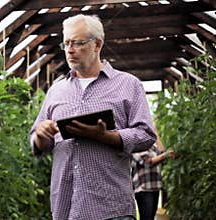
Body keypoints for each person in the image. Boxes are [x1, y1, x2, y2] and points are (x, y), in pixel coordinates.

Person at [29, 14, 156, 220]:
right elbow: (40, 142)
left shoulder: (128, 84)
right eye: (66, 43)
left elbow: (146, 135)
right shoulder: (56, 90)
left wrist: (106, 136)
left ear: (97, 44)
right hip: (65, 206)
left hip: (111, 208)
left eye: (78, 43)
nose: (70, 50)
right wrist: (41, 137)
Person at [131, 132, 176, 220]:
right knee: (147, 218)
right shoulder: (136, 147)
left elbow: (162, 151)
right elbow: (148, 162)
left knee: (151, 217)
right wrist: (165, 155)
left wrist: (155, 132)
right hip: (144, 189)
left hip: (155, 187)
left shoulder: (152, 147)